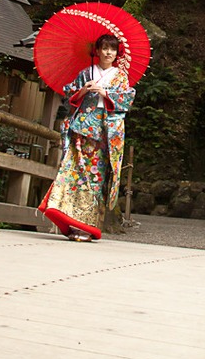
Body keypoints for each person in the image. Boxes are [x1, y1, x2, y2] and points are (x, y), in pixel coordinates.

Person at [39, 33, 135, 241]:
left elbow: (126, 100)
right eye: (105, 48)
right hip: (82, 129)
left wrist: (106, 93)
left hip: (104, 131)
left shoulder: (120, 76)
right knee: (75, 173)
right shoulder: (86, 73)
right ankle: (70, 222)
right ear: (97, 51)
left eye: (113, 49)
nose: (109, 52)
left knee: (96, 178)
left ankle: (88, 226)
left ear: (117, 53)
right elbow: (68, 95)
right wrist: (84, 90)